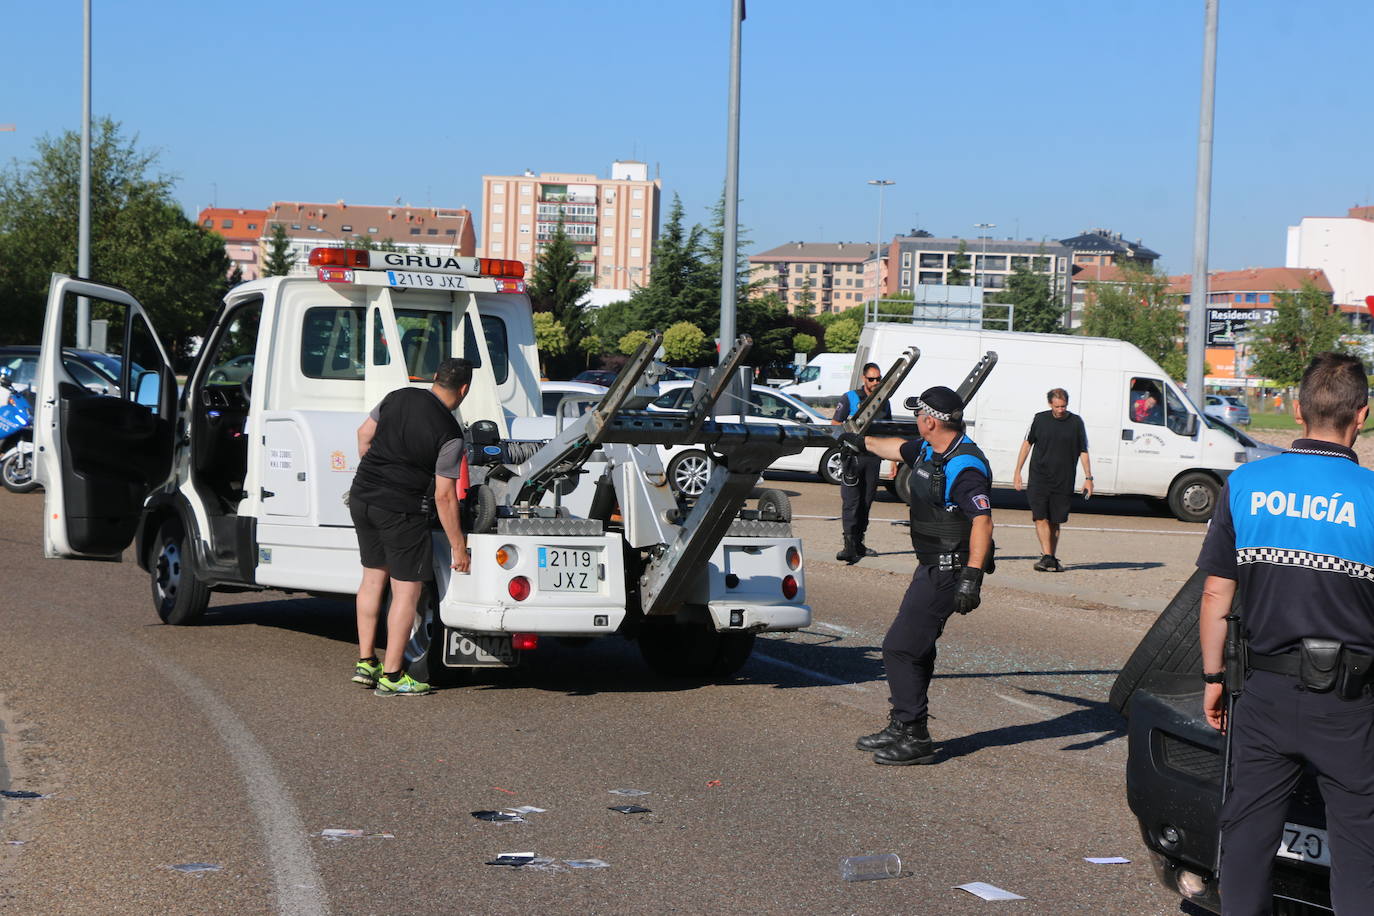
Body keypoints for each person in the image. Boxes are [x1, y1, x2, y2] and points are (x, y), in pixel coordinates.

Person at [1196, 352, 1374, 913]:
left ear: (1298, 411)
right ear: (1361, 416)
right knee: (1358, 847)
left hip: (1264, 695)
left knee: (1247, 837)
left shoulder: (1247, 483)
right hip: (1349, 702)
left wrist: (1212, 677)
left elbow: (1215, 595)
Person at [840, 386, 994, 765]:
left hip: (950, 568)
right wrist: (861, 442)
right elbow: (895, 448)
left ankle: (915, 735)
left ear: (929, 421)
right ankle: (903, 724)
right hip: (930, 563)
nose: (915, 422)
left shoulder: (965, 466)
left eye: (918, 417)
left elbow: (983, 521)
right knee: (916, 645)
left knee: (899, 646)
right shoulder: (930, 449)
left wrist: (972, 576)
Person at [349, 358, 473, 697]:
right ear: (464, 389)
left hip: (363, 497)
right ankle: (391, 675)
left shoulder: (397, 396)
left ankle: (365, 662)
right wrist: (458, 547)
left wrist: (376, 470)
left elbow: (364, 434)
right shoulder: (450, 434)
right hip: (401, 509)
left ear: (435, 377)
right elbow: (445, 497)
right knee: (406, 591)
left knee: (373, 579)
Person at [1012, 388, 1093, 572]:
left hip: (1063, 479)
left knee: (1056, 520)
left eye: (1063, 406)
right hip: (1040, 477)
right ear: (1050, 404)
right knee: (1040, 517)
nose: (1060, 410)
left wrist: (1088, 478)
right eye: (1057, 406)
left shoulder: (1076, 422)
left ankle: (1051, 557)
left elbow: (1084, 450)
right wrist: (1018, 471)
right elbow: (1026, 445)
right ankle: (1047, 556)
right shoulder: (1039, 419)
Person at [832, 362, 890, 564]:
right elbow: (836, 424)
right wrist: (845, 443)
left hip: (873, 458)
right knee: (851, 501)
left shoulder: (885, 400)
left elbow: (887, 430)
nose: (875, 382)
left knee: (866, 501)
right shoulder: (850, 398)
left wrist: (892, 459)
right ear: (864, 379)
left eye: (878, 379)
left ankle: (859, 543)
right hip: (852, 458)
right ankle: (848, 545)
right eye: (872, 379)